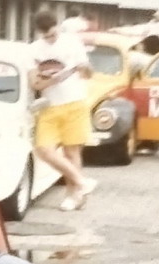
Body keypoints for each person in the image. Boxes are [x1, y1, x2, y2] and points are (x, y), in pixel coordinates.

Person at [29, 11, 97, 211]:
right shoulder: (33, 49)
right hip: (50, 105)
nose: (51, 38)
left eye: (53, 34)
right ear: (39, 33)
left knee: (71, 151)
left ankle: (73, 196)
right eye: (47, 36)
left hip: (74, 102)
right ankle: (82, 182)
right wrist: (55, 79)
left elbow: (88, 74)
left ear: (58, 27)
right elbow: (35, 83)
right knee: (44, 149)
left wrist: (83, 67)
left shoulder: (72, 42)